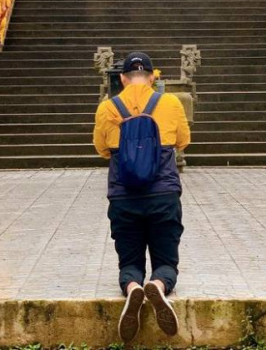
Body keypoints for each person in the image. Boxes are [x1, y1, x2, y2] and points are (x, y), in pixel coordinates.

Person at [93, 51, 191, 343]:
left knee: (129, 262)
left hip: (123, 198)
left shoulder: (107, 108)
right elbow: (183, 141)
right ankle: (159, 285)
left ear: (122, 78)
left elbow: (100, 149)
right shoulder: (171, 103)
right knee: (166, 261)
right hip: (163, 195)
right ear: (152, 77)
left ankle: (134, 287)